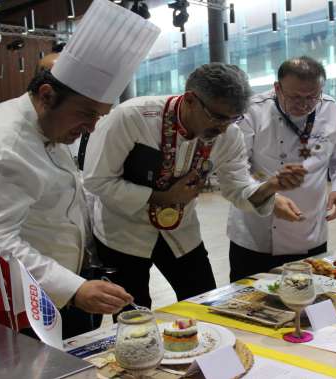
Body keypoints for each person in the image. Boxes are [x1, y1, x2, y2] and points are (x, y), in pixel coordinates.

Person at [0, 0, 160, 338]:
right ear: (47, 95)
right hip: (0, 298)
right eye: (87, 113)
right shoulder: (3, 148)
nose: (92, 127)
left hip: (43, 286)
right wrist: (73, 288)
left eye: (99, 116)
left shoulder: (44, 124)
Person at [83, 63, 307, 309]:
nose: (223, 128)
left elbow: (237, 188)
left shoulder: (228, 134)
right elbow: (97, 181)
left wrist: (270, 186)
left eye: (234, 118)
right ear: (190, 100)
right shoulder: (132, 117)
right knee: (133, 315)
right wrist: (158, 197)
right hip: (122, 234)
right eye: (218, 117)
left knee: (204, 304)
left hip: (181, 231)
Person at [227, 56, 336, 282]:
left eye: (312, 97)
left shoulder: (331, 109)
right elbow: (237, 166)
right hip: (256, 234)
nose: (304, 104)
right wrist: (267, 194)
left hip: (309, 230)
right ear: (277, 88)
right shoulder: (253, 111)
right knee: (251, 305)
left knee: (311, 295)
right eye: (295, 97)